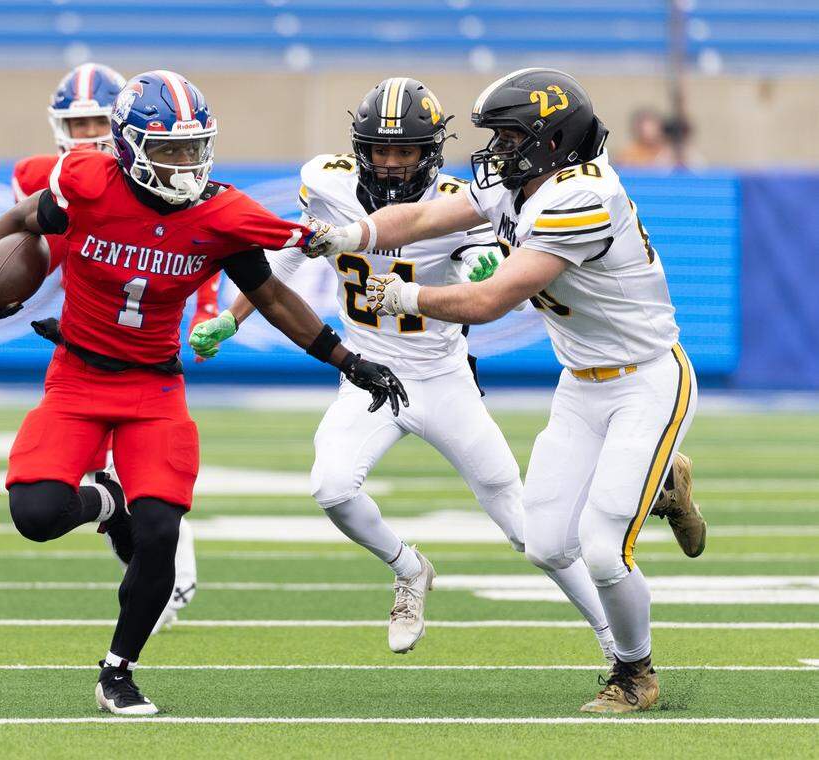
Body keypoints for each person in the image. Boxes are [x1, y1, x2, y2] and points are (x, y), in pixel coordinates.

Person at [0, 69, 408, 716]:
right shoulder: (86, 181)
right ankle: (107, 501)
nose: (185, 163)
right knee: (36, 515)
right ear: (130, 146)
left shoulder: (221, 212)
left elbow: (272, 295)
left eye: (195, 147)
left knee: (161, 532)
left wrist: (345, 358)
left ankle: (119, 670)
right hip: (77, 377)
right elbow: (24, 217)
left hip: (153, 388)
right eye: (169, 150)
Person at [301, 68, 707, 714]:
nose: (498, 149)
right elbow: (427, 215)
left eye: (511, 136)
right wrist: (356, 236)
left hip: (646, 380)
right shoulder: (522, 184)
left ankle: (634, 673)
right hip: (581, 383)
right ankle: (658, 485)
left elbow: (492, 298)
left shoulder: (581, 197)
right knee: (546, 542)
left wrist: (410, 294)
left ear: (552, 141)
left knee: (603, 550)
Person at [189, 77, 616, 660]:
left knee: (524, 526)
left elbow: (484, 286)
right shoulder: (327, 181)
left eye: (405, 151)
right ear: (359, 149)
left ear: (430, 152)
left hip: (442, 379)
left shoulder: (458, 203)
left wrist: (485, 268)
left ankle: (611, 635)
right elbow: (291, 250)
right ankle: (409, 568)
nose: (390, 165)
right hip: (368, 373)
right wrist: (235, 318)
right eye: (380, 150)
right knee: (332, 488)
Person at [9, 62, 208, 632]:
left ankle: (161, 569)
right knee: (65, 488)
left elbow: (209, 236)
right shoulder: (45, 175)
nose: (90, 133)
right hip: (85, 340)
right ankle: (119, 518)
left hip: (147, 339)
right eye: (78, 123)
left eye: (101, 119)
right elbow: (44, 250)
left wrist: (214, 313)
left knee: (155, 494)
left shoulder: (167, 170)